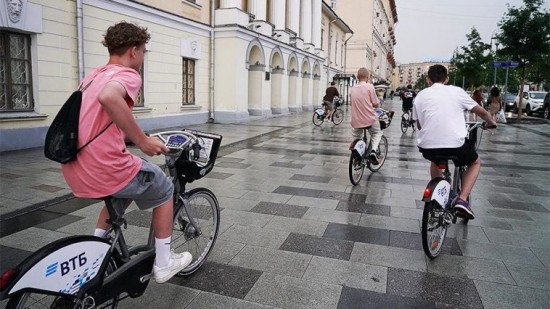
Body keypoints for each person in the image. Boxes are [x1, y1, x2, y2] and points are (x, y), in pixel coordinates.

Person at [61, 22, 192, 284]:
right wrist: (142, 140)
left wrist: (125, 139)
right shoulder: (128, 74)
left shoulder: (93, 76)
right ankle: (164, 263)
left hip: (75, 165)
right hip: (104, 165)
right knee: (165, 189)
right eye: (143, 51)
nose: (142, 58)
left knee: (126, 189)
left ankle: (94, 252)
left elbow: (95, 120)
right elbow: (110, 98)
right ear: (134, 51)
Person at [412, 64, 496, 219]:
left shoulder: (420, 95)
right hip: (455, 145)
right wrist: (491, 122)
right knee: (475, 162)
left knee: (436, 160)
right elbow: (482, 112)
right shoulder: (457, 91)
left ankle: (438, 193)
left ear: (428, 80)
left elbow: (419, 124)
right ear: (447, 79)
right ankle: (462, 200)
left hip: (427, 146)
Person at [350, 68, 383, 165]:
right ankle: (373, 151)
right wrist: (378, 107)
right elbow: (376, 104)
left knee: (356, 135)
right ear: (367, 78)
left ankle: (357, 152)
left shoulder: (353, 88)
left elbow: (352, 103)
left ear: (357, 77)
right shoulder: (370, 87)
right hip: (369, 119)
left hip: (356, 120)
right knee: (377, 133)